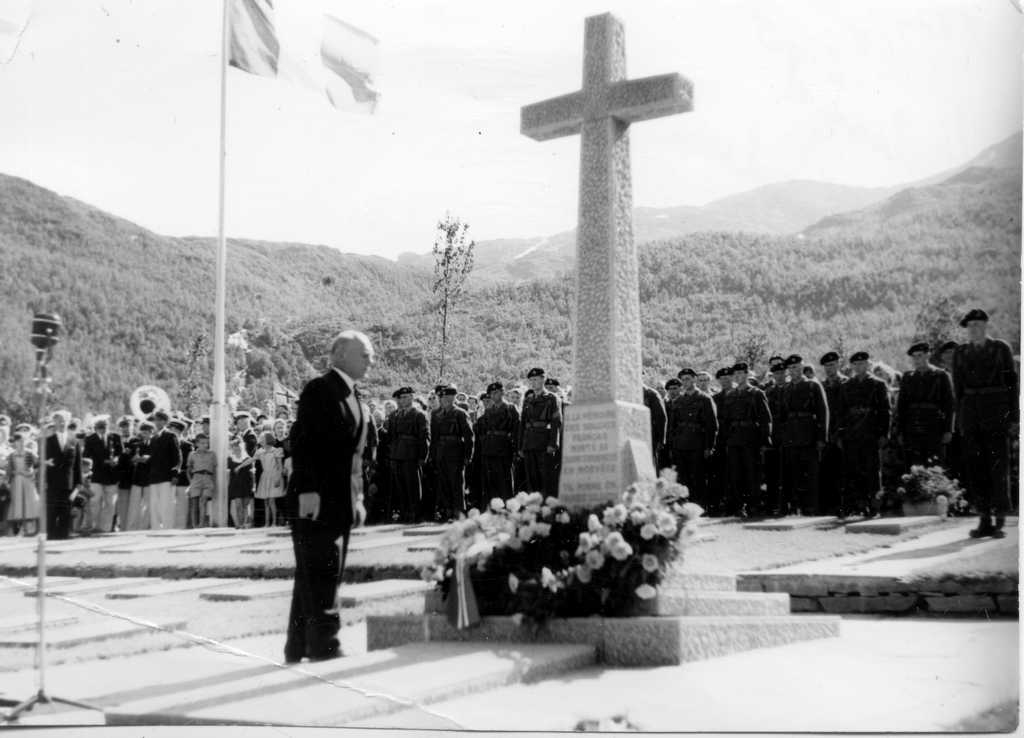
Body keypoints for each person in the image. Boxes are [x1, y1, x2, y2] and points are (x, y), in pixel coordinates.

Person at [284, 329, 372, 664]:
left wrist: (358, 499)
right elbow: (304, 443)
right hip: (316, 499)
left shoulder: (354, 395)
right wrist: (307, 490)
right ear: (340, 354)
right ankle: (325, 646)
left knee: (313, 574)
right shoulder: (321, 389)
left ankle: (298, 646)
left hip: (341, 500)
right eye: (364, 354)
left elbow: (355, 458)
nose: (370, 360)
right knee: (322, 574)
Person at [952, 309, 1018, 539]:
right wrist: (960, 419)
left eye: (979, 325)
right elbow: (958, 390)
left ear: (986, 326)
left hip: (996, 413)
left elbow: (1012, 385)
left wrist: (1014, 418)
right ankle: (983, 518)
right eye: (970, 326)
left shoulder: (1001, 349)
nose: (974, 329)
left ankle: (999, 518)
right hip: (971, 415)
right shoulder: (960, 353)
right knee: (975, 468)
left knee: (997, 467)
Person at [835, 351, 891, 518]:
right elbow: (840, 412)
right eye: (856, 364)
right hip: (851, 434)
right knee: (851, 471)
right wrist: (839, 434)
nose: (859, 367)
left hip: (870, 433)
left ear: (868, 365)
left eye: (862, 364)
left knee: (872, 472)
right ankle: (852, 506)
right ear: (852, 366)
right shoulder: (846, 386)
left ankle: (874, 506)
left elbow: (885, 411)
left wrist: (883, 433)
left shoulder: (878, 384)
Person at [778, 355, 829, 517]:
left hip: (809, 434)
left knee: (811, 473)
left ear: (803, 367)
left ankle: (812, 507)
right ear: (788, 370)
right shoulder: (785, 388)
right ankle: (796, 507)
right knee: (793, 473)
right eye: (792, 368)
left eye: (798, 367)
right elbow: (782, 416)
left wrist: (822, 437)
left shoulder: (813, 385)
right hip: (791, 436)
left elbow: (823, 412)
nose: (795, 370)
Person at [723, 363, 772, 517]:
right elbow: (725, 420)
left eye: (740, 373)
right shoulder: (730, 395)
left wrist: (765, 441)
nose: (737, 377)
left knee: (752, 473)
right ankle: (739, 507)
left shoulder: (756, 393)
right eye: (735, 374)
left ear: (747, 374)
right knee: (735, 474)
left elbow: (765, 419)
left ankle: (754, 506)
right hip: (734, 438)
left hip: (751, 437)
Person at [896, 342, 955, 468]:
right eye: (914, 357)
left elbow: (949, 405)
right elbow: (901, 407)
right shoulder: (908, 377)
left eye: (920, 355)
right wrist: (900, 431)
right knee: (913, 464)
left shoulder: (941, 375)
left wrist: (948, 430)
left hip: (934, 426)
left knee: (934, 464)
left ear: (928, 355)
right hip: (912, 427)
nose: (917, 359)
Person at [665, 370, 718, 509]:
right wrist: (672, 446)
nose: (685, 382)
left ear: (694, 380)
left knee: (698, 477)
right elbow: (672, 426)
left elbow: (712, 425)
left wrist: (709, 447)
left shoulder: (705, 399)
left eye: (688, 379)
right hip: (680, 444)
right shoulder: (678, 401)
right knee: (683, 477)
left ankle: (700, 506)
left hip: (698, 443)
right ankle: (685, 507)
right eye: (683, 380)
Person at [429, 385, 474, 521]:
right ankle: (447, 511)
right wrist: (433, 455)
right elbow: (434, 438)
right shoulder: (435, 414)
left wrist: (468, 456)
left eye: (448, 398)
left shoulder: (460, 413)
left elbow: (468, 436)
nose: (445, 400)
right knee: (444, 483)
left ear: (453, 398)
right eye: (442, 398)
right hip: (441, 452)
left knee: (456, 483)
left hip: (456, 452)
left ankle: (458, 512)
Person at [518, 367, 562, 497]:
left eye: (535, 379)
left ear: (543, 380)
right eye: (531, 380)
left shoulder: (552, 398)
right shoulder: (528, 399)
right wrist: (521, 446)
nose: (533, 383)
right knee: (532, 480)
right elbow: (522, 424)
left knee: (546, 480)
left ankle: (547, 511)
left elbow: (556, 423)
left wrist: (553, 444)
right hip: (529, 443)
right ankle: (534, 510)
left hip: (544, 443)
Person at [478, 381, 520, 501]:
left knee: (504, 480)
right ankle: (492, 507)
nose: (494, 395)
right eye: (492, 393)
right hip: (489, 449)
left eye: (497, 392)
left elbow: (516, 431)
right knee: (490, 481)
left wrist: (516, 449)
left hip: (503, 448)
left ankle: (507, 506)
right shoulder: (488, 410)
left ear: (502, 392)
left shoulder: (511, 409)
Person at [44, 410, 82, 540]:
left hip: (68, 484)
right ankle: (50, 538)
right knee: (51, 513)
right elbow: (43, 463)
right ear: (54, 422)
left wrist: (78, 485)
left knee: (65, 513)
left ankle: (63, 538)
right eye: (58, 420)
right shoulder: (47, 441)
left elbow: (77, 465)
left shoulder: (74, 441)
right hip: (52, 482)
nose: (61, 422)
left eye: (63, 420)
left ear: (68, 422)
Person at [81, 414, 122, 533]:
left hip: (111, 475)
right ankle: (93, 525)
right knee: (95, 501)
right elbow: (86, 457)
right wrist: (101, 462)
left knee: (110, 503)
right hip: (96, 475)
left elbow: (121, 453)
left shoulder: (115, 437)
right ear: (95, 427)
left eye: (104, 426)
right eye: (99, 427)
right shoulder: (90, 439)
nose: (102, 429)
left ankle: (105, 528)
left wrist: (116, 460)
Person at [818, 352, 846, 517]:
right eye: (827, 365)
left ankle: (844, 505)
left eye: (833, 364)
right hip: (827, 434)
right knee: (826, 471)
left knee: (844, 471)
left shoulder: (846, 383)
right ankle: (828, 506)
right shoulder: (821, 385)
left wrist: (842, 433)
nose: (830, 368)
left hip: (842, 433)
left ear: (838, 365)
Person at [5, 432, 39, 536]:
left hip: (27, 480)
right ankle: (20, 528)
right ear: (14, 442)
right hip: (16, 481)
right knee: (18, 503)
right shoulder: (11, 455)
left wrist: (32, 473)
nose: (20, 443)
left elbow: (39, 464)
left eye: (22, 440)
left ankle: (30, 528)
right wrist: (11, 475)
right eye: (18, 441)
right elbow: (8, 470)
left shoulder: (30, 453)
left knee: (29, 503)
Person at [253, 430, 286, 526]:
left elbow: (280, 466)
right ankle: (267, 522)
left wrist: (278, 478)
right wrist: (240, 466)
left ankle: (274, 522)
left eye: (263, 439)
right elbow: (251, 459)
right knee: (266, 501)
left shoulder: (276, 451)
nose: (261, 440)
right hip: (265, 477)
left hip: (273, 476)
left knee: (272, 501)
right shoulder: (260, 451)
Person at [126, 420, 154, 531]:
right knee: (134, 505)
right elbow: (129, 460)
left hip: (149, 478)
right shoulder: (136, 445)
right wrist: (134, 459)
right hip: (137, 478)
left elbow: (155, 460)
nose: (145, 435)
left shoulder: (155, 445)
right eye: (143, 432)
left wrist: (146, 459)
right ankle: (131, 527)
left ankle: (144, 527)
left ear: (151, 432)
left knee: (148, 505)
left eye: (147, 432)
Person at [187, 433, 216, 528]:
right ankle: (194, 525)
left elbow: (214, 469)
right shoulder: (192, 454)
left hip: (208, 477)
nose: (205, 445)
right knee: (194, 502)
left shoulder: (212, 454)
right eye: (202, 443)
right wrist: (191, 482)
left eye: (206, 443)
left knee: (203, 500)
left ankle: (201, 524)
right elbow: (188, 469)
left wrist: (213, 482)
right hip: (196, 477)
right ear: (197, 444)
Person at [168, 417, 192, 529]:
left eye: (172, 429)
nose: (170, 431)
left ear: (178, 430)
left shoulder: (187, 445)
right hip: (168, 478)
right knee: (169, 505)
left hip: (182, 479)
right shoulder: (166, 443)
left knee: (182, 505)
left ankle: (180, 528)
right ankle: (170, 527)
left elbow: (188, 465)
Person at [227, 436, 255, 528]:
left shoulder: (247, 459)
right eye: (234, 448)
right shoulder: (230, 459)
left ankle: (245, 523)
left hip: (246, 484)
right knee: (238, 505)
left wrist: (253, 486)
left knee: (245, 505)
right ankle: (239, 524)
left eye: (238, 447)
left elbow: (252, 473)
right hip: (236, 485)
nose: (236, 450)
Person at [643, 383, 667, 470]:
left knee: (650, 463)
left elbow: (661, 418)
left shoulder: (651, 394)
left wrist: (660, 440)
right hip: (635, 436)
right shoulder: (629, 392)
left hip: (651, 436)